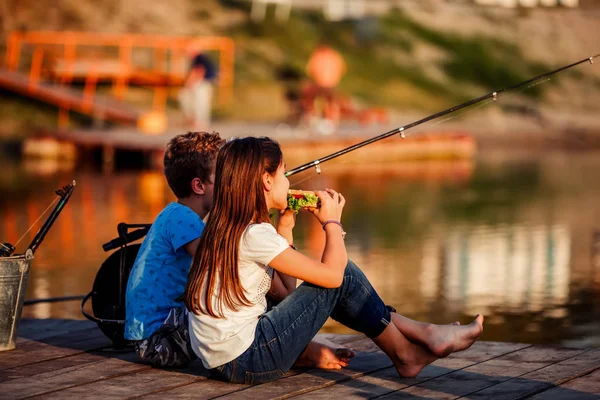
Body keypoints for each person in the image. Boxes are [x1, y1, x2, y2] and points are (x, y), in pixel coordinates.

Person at [184, 136, 484, 384]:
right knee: (346, 275)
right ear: (265, 181)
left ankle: (422, 335)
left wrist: (286, 228)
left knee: (334, 276)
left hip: (221, 359)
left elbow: (287, 294)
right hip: (246, 360)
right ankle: (408, 353)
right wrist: (332, 224)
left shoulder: (223, 226)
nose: (287, 182)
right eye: (283, 173)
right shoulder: (255, 235)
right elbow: (333, 279)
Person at [125, 131, 353, 369]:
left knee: (255, 287)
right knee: (255, 288)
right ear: (199, 186)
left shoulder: (180, 216)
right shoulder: (182, 218)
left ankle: (305, 348)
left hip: (163, 333)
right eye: (224, 177)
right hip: (160, 339)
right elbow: (226, 267)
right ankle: (304, 350)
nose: (232, 184)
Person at [178, 52, 218, 129]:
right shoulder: (203, 58)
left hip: (201, 83)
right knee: (199, 103)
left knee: (200, 103)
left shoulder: (199, 58)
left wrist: (190, 82)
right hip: (204, 83)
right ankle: (197, 122)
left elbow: (200, 71)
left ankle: (198, 123)